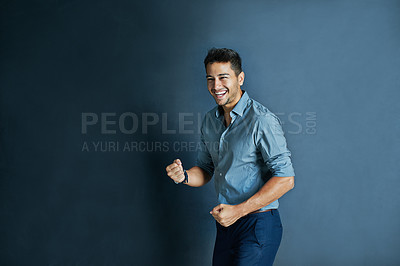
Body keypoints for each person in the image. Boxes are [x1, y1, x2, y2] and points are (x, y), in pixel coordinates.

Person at [165, 48, 295, 266]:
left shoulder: (262, 120)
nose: (216, 86)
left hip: (259, 224)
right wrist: (184, 176)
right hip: (226, 225)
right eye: (210, 79)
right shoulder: (210, 120)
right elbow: (206, 169)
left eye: (223, 77)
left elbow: (286, 178)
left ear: (240, 78)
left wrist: (239, 211)